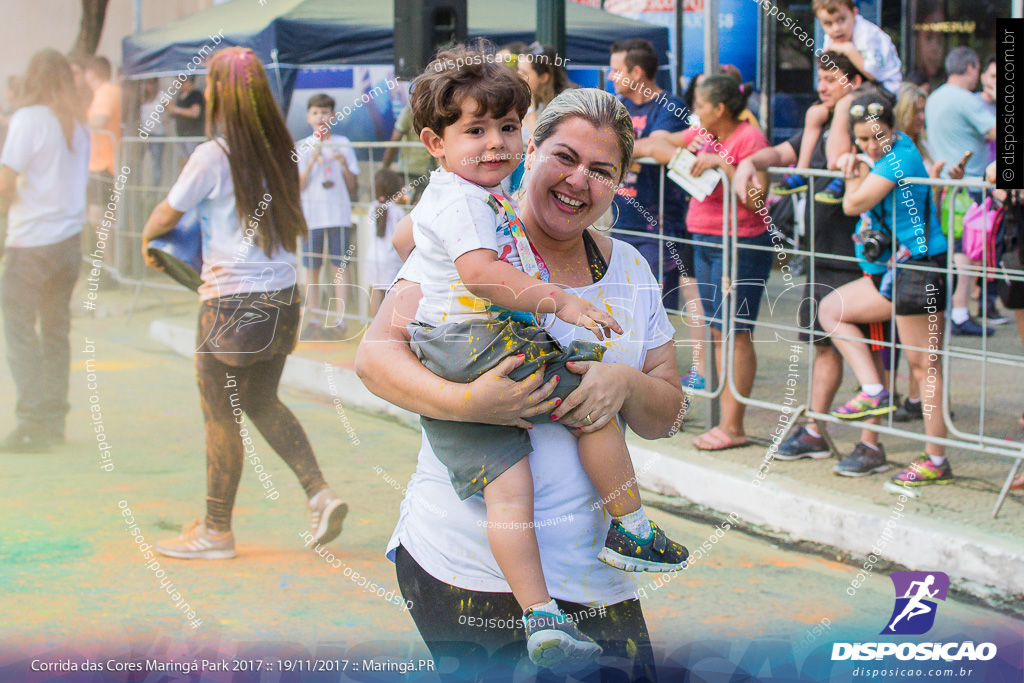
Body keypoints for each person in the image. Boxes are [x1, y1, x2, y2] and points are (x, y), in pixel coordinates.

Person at [355, 84, 685, 681]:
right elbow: (375, 358)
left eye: (602, 170)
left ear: (620, 184)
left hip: (592, 573)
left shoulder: (633, 270)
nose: (579, 180)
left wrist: (624, 384)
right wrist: (468, 402)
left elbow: (667, 414)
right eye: (565, 157)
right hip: (465, 568)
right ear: (531, 151)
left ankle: (634, 530)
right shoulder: (467, 249)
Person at [141, 47, 347, 559]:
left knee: (220, 416)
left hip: (230, 305)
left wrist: (146, 239)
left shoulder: (213, 154)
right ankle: (320, 493)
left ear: (220, 95)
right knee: (260, 400)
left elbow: (168, 214)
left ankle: (215, 532)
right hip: (282, 298)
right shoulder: (285, 152)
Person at [734, 51, 887, 461]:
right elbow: (783, 154)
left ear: (855, 83)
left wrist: (832, 118)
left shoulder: (863, 132)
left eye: (831, 79)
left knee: (871, 352)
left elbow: (841, 161)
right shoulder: (816, 126)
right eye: (819, 78)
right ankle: (816, 430)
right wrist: (750, 160)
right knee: (821, 344)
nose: (821, 86)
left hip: (860, 261)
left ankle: (871, 443)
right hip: (819, 255)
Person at [817, 93, 953, 485]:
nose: (870, 146)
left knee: (925, 368)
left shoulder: (901, 157)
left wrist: (856, 170)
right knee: (831, 311)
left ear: (893, 126)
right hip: (901, 273)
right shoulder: (886, 156)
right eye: (861, 140)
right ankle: (875, 389)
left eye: (877, 137)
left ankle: (936, 459)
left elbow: (853, 204)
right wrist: (858, 162)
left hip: (919, 271)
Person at [647, 75, 770, 451]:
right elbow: (661, 141)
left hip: (740, 242)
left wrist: (723, 165)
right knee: (718, 330)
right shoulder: (704, 133)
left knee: (736, 332)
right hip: (704, 237)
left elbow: (757, 200)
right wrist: (683, 154)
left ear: (719, 108)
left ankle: (734, 426)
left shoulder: (750, 139)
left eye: (699, 105)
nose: (693, 113)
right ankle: (723, 418)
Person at [0, 49, 90, 452]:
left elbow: (6, 181)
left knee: (20, 331)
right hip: (68, 242)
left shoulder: (28, 119)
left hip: (31, 241)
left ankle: (31, 421)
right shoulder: (79, 127)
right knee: (55, 333)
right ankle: (52, 419)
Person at [607, 39, 692, 314]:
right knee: (622, 308)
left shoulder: (670, 105)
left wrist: (619, 150)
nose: (611, 77)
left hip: (658, 226)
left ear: (637, 73)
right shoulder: (619, 107)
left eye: (617, 70)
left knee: (655, 312)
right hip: (622, 222)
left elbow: (656, 148)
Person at [925, 47, 998, 336]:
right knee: (966, 252)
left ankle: (956, 311)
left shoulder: (935, 97)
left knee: (957, 249)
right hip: (968, 187)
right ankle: (959, 312)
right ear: (971, 68)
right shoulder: (966, 100)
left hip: (944, 184)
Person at [803, 0, 901, 205]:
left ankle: (840, 169)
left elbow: (873, 73)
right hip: (861, 86)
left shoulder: (868, 35)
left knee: (846, 106)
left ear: (855, 13)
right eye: (828, 24)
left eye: (841, 20)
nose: (836, 28)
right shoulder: (832, 41)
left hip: (884, 88)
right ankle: (801, 172)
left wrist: (848, 50)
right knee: (816, 113)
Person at [296, 93, 359, 340]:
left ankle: (340, 320)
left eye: (325, 112)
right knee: (312, 268)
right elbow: (297, 187)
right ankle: (313, 318)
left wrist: (343, 164)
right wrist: (311, 162)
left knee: (339, 268)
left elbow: (353, 183)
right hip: (312, 216)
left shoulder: (343, 142)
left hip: (338, 214)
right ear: (308, 117)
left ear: (333, 116)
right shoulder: (302, 147)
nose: (320, 117)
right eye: (315, 113)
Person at [509, 43, 576, 193]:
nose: (519, 76)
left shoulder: (567, 100)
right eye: (518, 70)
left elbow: (540, 142)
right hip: (526, 186)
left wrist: (531, 107)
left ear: (544, 77)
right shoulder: (539, 101)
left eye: (524, 72)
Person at [366, 168, 406, 316]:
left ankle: (373, 328)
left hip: (373, 256)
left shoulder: (372, 207)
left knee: (376, 293)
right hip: (390, 260)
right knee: (391, 296)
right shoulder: (398, 211)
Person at [381, 104, 435, 204]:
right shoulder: (411, 112)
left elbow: (395, 141)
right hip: (414, 174)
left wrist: (384, 170)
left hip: (423, 174)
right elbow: (395, 142)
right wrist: (384, 170)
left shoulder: (432, 111)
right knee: (413, 210)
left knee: (411, 211)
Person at [167, 74, 205, 167]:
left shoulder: (195, 94)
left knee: (192, 163)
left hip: (192, 136)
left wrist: (176, 109)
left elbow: (195, 113)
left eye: (183, 81)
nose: (180, 84)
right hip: (182, 135)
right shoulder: (180, 95)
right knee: (183, 161)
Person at [139, 78, 167, 186]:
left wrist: (164, 119)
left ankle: (155, 191)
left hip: (157, 134)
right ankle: (142, 190)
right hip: (143, 134)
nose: (148, 86)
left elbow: (172, 110)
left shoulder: (162, 96)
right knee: (141, 163)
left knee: (156, 164)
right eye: (146, 83)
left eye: (150, 82)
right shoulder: (143, 97)